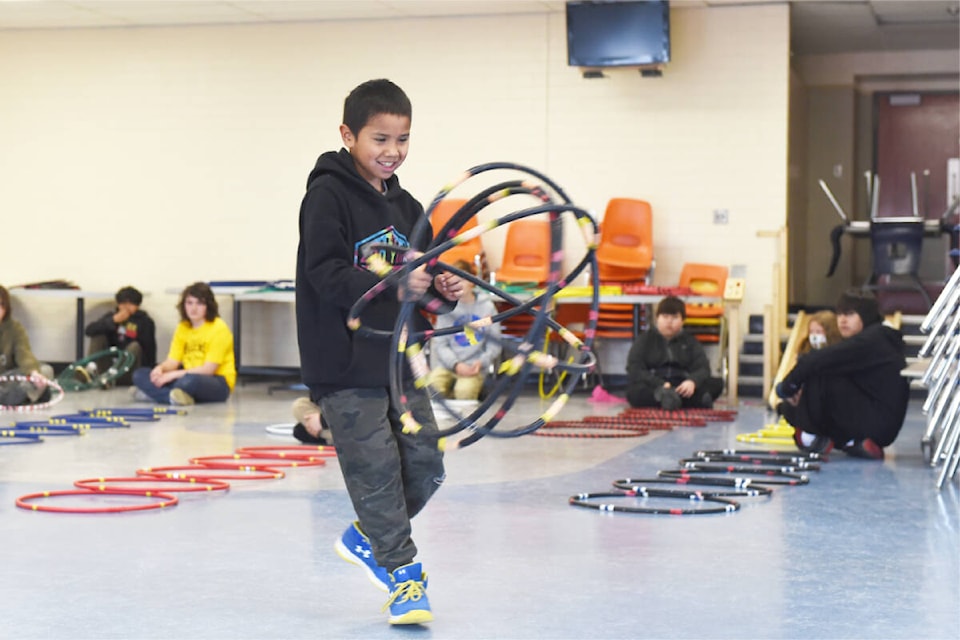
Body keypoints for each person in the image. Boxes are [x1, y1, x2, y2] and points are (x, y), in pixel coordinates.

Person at [295, 79, 463, 625]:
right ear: (348, 135)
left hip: (398, 359)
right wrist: (397, 284)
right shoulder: (328, 194)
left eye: (403, 139)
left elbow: (426, 277)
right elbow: (324, 272)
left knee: (426, 463)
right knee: (376, 473)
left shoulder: (410, 206)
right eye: (380, 138)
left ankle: (368, 534)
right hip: (344, 361)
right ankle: (404, 578)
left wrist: (443, 289)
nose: (392, 151)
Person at [776, 289, 909, 460]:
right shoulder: (877, 337)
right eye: (839, 314)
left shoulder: (872, 340)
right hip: (879, 422)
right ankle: (852, 442)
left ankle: (810, 437)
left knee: (819, 373)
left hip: (878, 422)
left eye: (850, 314)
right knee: (789, 406)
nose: (842, 321)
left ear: (866, 316)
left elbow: (814, 361)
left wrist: (786, 387)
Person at [131, 282, 236, 406]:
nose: (193, 308)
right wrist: (160, 369)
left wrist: (171, 375)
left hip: (217, 382)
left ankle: (156, 394)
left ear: (208, 306)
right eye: (189, 303)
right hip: (186, 374)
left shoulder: (219, 328)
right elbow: (173, 362)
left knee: (188, 382)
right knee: (139, 374)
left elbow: (208, 370)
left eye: (199, 303)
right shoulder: (183, 327)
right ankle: (173, 397)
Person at [625, 295, 723, 410]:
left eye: (675, 317)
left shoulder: (690, 341)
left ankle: (674, 399)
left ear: (682, 321)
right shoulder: (644, 340)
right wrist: (660, 384)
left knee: (717, 383)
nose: (669, 322)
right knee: (634, 391)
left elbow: (703, 368)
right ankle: (679, 400)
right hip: (655, 385)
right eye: (665, 316)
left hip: (681, 385)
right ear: (657, 318)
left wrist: (692, 381)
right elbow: (634, 368)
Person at [428, 260, 502, 401]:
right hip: (448, 365)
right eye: (452, 281)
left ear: (472, 282)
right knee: (432, 389)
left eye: (460, 279)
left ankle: (465, 393)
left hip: (475, 367)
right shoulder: (446, 309)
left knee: (464, 393)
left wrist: (481, 362)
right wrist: (456, 364)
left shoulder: (487, 307)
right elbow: (440, 343)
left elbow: (495, 342)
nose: (457, 284)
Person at [84, 286, 157, 385]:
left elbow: (149, 349)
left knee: (134, 346)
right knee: (98, 336)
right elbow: (89, 330)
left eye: (131, 303)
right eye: (123, 303)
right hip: (108, 365)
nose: (126, 307)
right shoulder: (112, 316)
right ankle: (92, 374)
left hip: (130, 368)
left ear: (137, 305)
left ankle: (111, 379)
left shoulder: (145, 321)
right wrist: (112, 321)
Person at [0, 285, 53, 404]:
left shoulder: (15, 328)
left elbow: (23, 353)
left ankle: (20, 396)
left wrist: (33, 373)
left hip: (9, 378)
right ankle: (30, 395)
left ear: (6, 308)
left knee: (45, 370)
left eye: (1, 305)